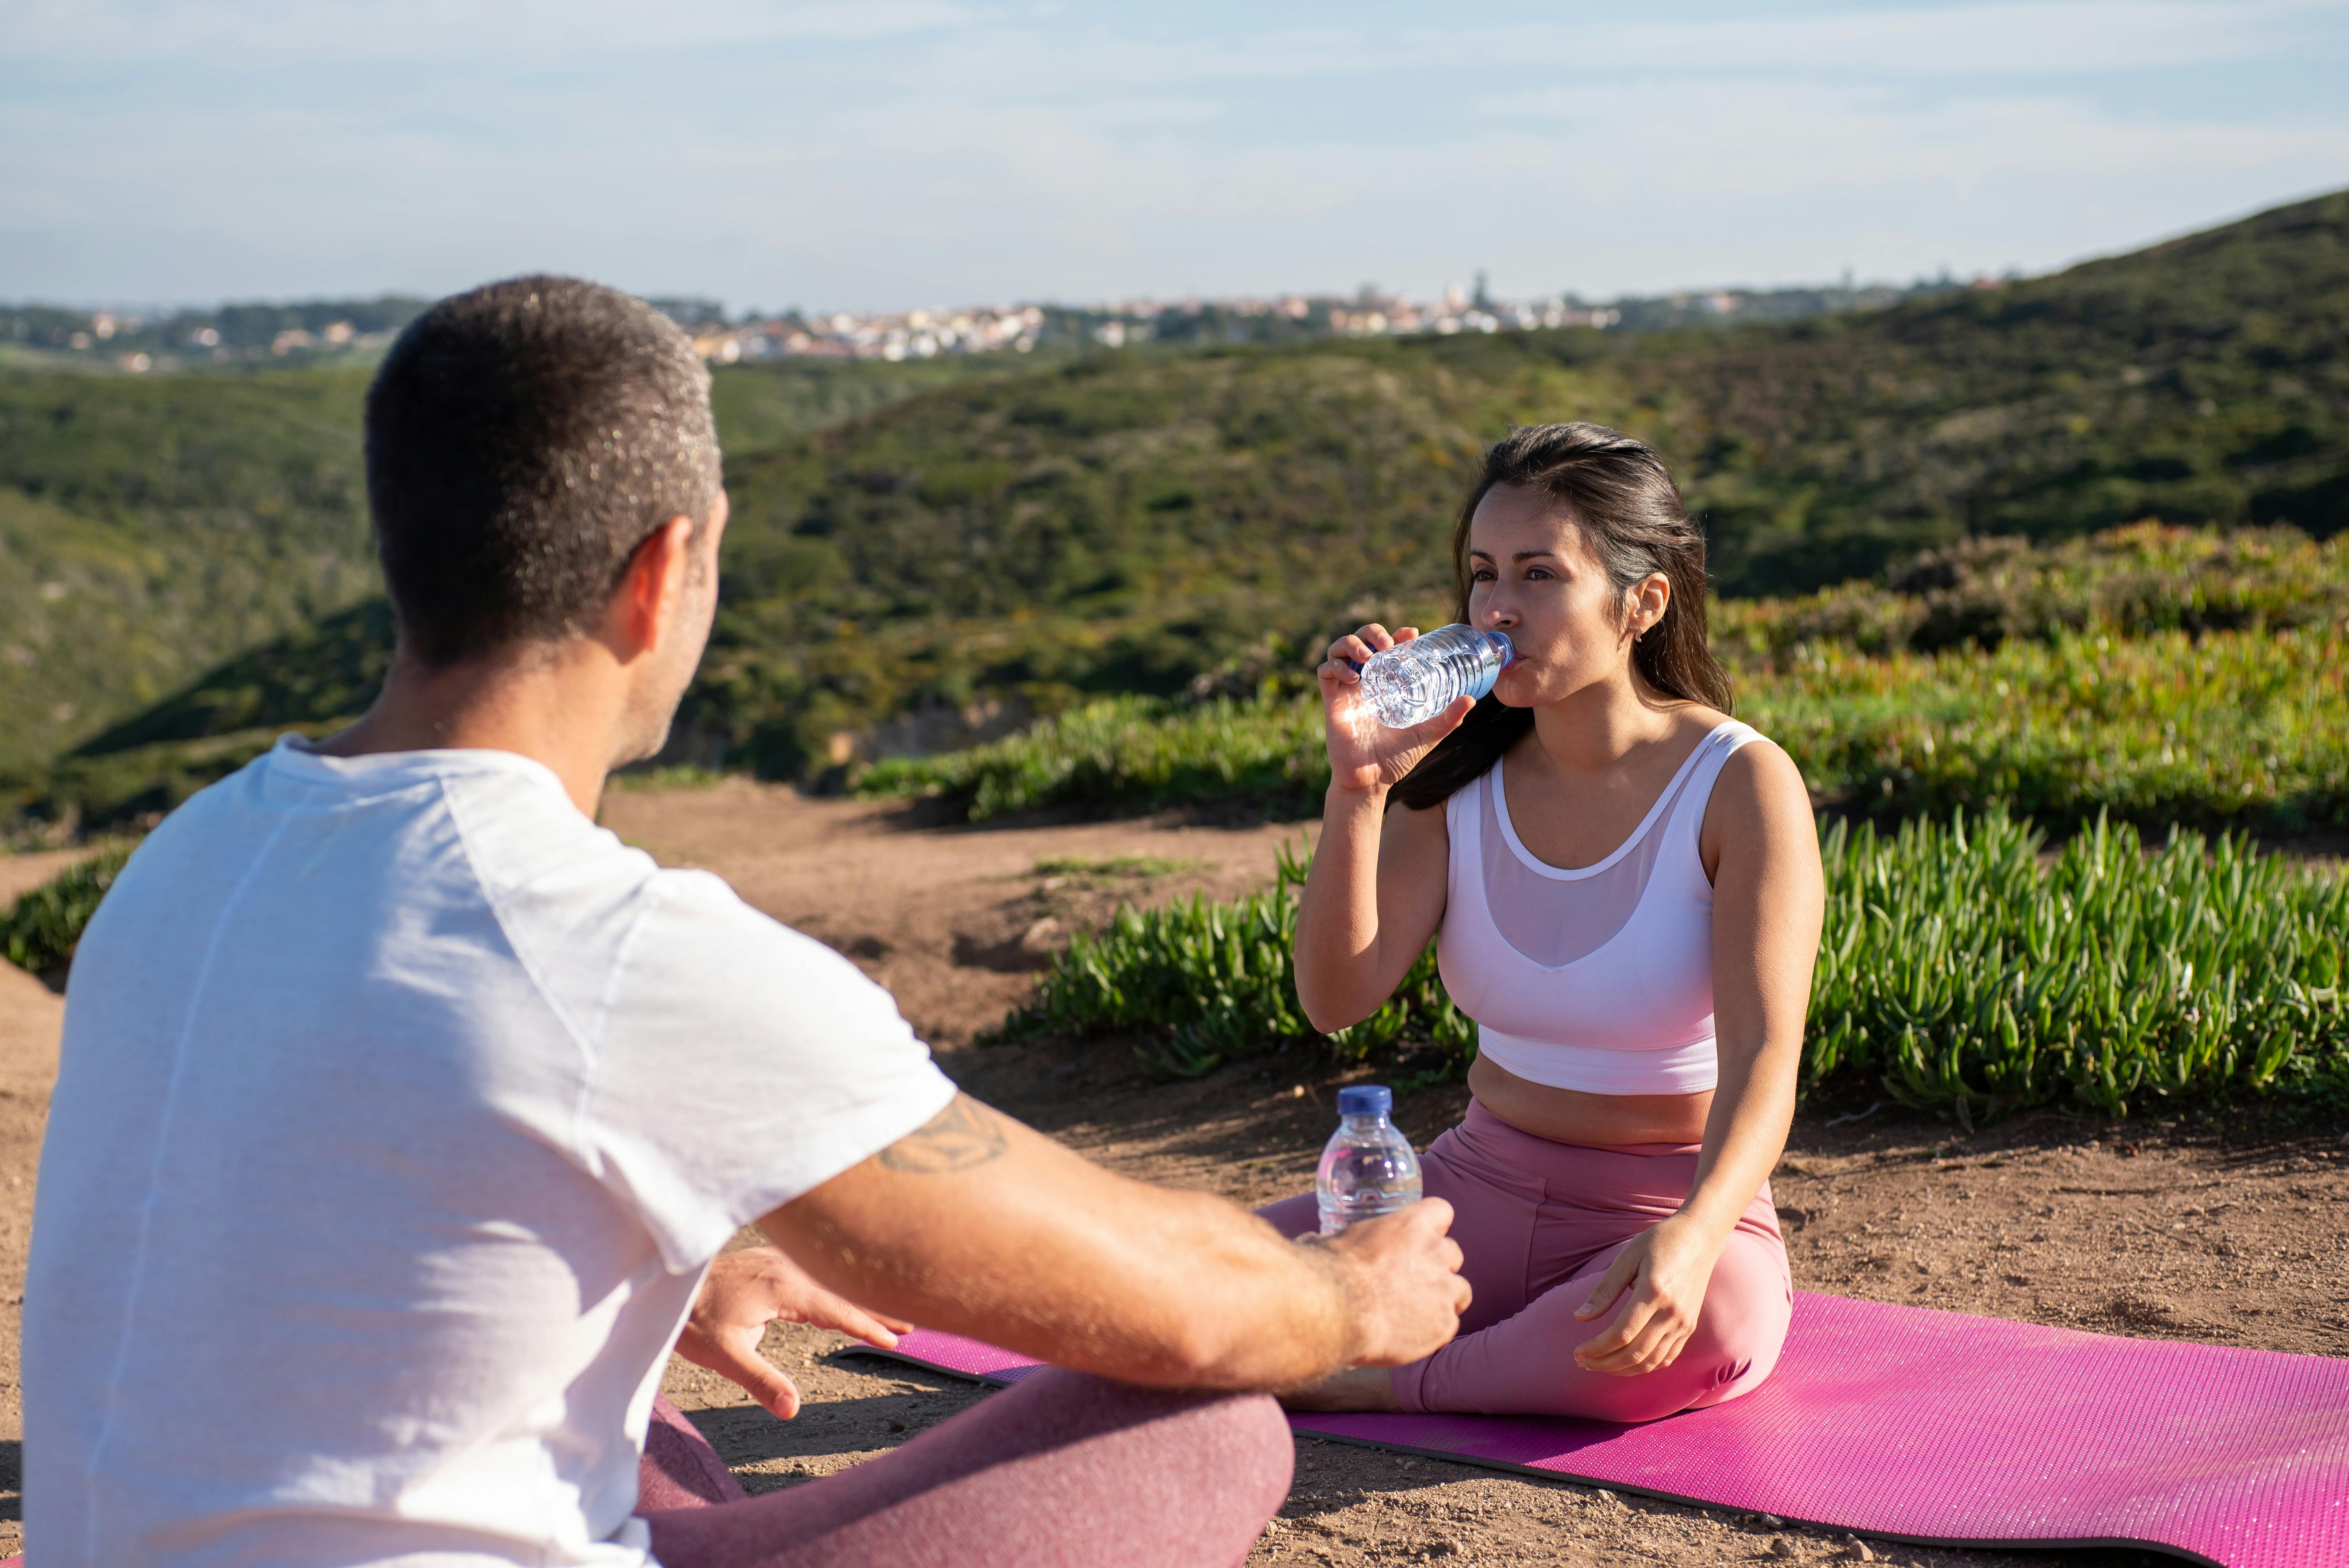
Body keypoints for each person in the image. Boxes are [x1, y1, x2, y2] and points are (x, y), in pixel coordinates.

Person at [22, 276, 1471, 1568]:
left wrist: (680, 1255)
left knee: (651, 1422)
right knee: (1207, 1429)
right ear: (665, 572)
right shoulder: (613, 947)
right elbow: (1183, 1310)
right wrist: (1345, 1294)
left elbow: (341, 1164)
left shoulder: (190, 852)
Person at [1273, 422, 1825, 1423]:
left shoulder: (1740, 784)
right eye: (1484, 576)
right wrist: (1357, 791)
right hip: (1473, 1191)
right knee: (1203, 1280)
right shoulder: (1458, 782)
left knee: (1717, 1327)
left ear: (1642, 603)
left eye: (1538, 575)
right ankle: (1466, 1361)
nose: (1496, 611)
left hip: (1664, 1205)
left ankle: (1390, 1380)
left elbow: (1764, 1060)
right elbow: (1335, 1000)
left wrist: (1697, 1235)